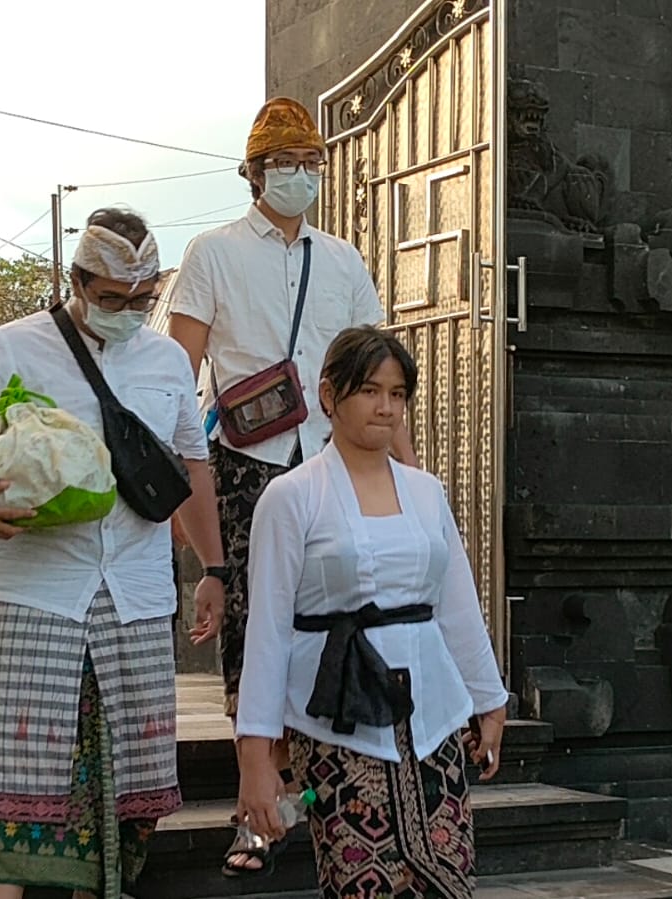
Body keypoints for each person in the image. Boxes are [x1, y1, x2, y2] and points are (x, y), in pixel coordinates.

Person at [0, 208, 226, 899]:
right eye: (111, 298)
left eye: (141, 301)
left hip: (136, 590)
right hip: (35, 587)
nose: (126, 313)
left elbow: (193, 467)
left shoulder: (165, 361)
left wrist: (214, 568)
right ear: (77, 280)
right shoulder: (10, 347)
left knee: (131, 774)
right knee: (16, 771)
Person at [164, 96, 419, 875]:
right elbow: (176, 380)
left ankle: (345, 793)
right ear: (253, 172)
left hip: (337, 460)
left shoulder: (340, 260)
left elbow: (380, 373)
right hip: (249, 462)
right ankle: (256, 812)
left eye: (311, 165)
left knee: (349, 619)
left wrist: (409, 485)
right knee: (255, 629)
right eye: (286, 165)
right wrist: (197, 535)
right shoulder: (211, 253)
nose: (300, 176)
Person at [234, 327, 509, 899]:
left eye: (398, 393)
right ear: (329, 396)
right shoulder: (292, 497)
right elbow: (266, 631)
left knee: (448, 881)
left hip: (434, 718)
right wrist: (255, 758)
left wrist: (489, 700)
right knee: (362, 881)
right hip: (339, 722)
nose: (386, 407)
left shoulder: (426, 492)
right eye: (369, 391)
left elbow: (456, 603)